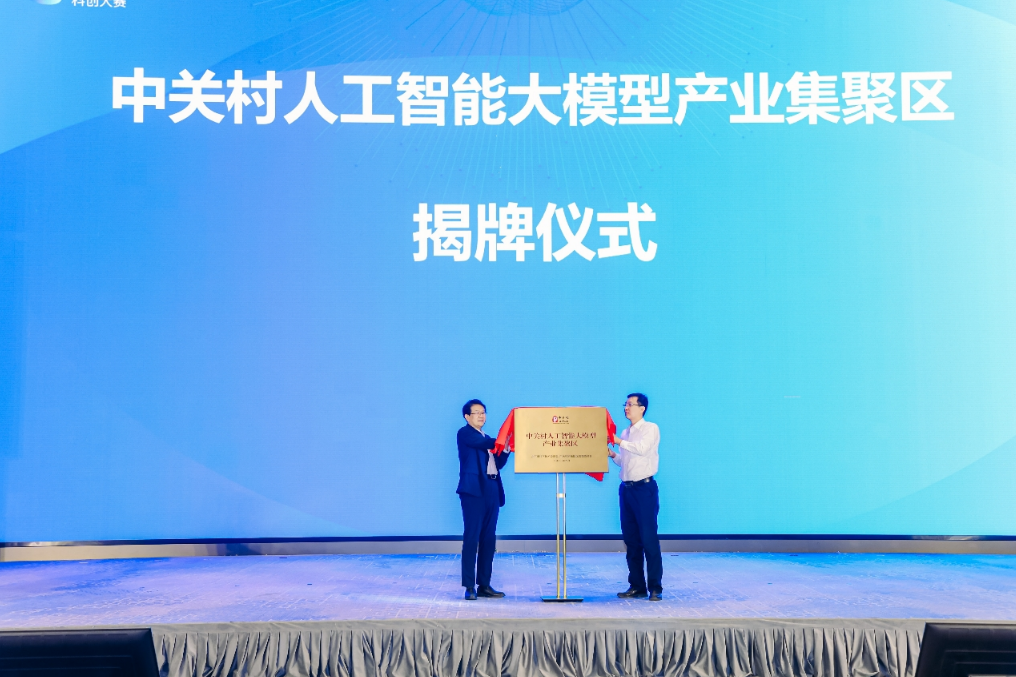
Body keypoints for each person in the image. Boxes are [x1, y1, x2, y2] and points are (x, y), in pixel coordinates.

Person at [608, 392, 663, 601]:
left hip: (644, 490)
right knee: (631, 540)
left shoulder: (650, 429)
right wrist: (613, 455)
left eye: (631, 404)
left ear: (642, 408)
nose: (626, 408)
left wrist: (618, 441)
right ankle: (637, 585)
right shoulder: (626, 432)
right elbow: (626, 461)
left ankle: (655, 587)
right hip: (627, 490)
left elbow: (641, 449)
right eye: (626, 404)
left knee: (648, 539)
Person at [456, 399, 510, 600]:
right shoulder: (465, 434)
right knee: (472, 537)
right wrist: (502, 440)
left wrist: (505, 449)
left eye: (483, 412)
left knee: (488, 539)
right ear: (467, 417)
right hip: (473, 491)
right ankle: (469, 586)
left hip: (492, 488)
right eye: (476, 412)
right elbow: (483, 443)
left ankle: (484, 585)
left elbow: (498, 464)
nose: (481, 415)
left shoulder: (487, 438)